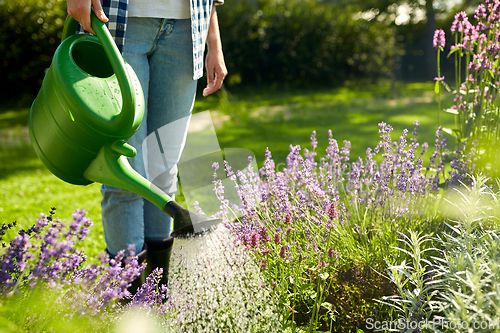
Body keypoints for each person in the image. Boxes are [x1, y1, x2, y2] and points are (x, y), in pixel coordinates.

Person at [66, 0, 227, 289]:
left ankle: (156, 296)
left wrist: (214, 43)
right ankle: (129, 301)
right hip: (118, 22)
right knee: (124, 171)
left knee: (163, 169)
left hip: (187, 29)